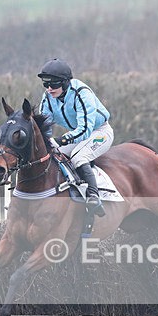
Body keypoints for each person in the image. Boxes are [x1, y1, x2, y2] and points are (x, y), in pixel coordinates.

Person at [38, 58, 113, 216]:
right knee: (52, 155)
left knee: (79, 158)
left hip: (99, 132)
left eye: (54, 84)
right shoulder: (48, 97)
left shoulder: (81, 93)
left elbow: (85, 129)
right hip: (77, 134)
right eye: (46, 84)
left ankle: (93, 196)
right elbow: (44, 126)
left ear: (65, 82)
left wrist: (61, 140)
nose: (49, 88)